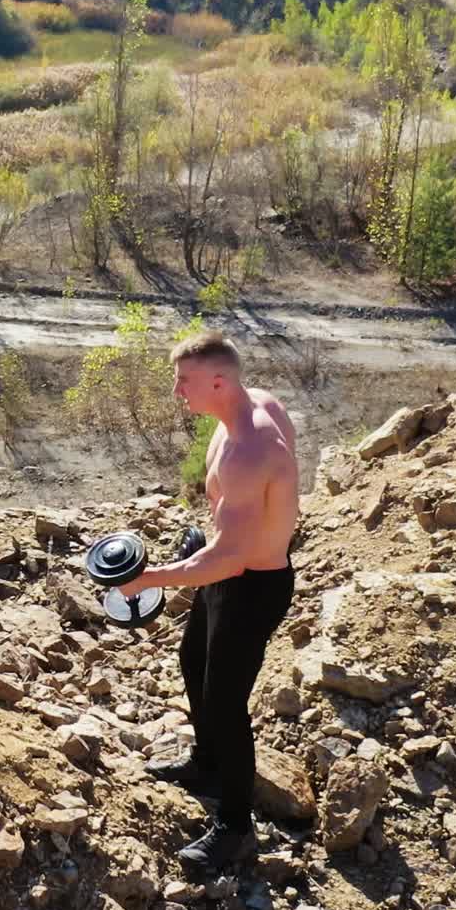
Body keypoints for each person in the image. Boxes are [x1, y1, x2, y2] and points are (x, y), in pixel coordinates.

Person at [116, 331, 298, 870]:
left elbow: (234, 559)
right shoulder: (243, 411)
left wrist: (149, 579)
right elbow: (238, 532)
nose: (178, 392)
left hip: (253, 586)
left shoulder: (250, 448)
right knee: (192, 661)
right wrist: (210, 545)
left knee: (225, 703)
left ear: (217, 382)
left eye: (184, 382)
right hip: (229, 567)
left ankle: (235, 826)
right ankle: (207, 763)